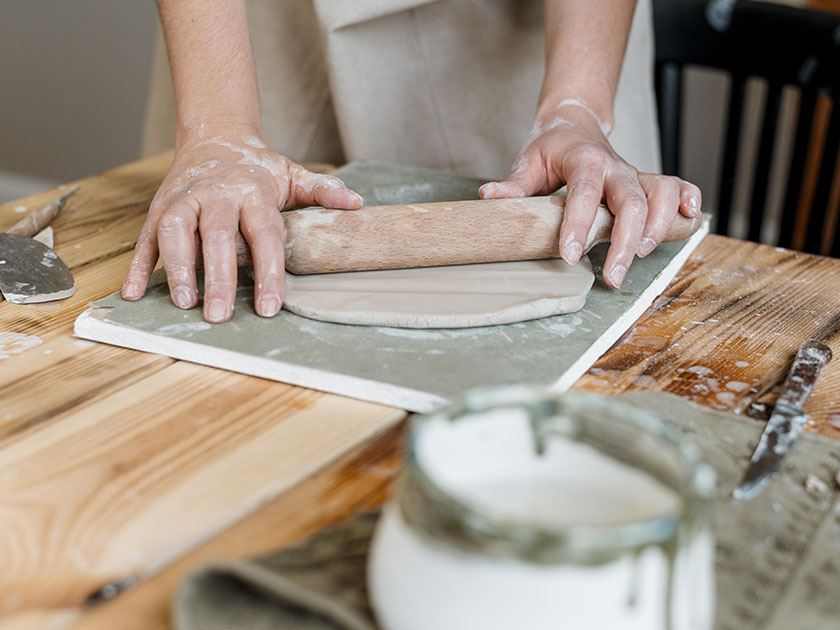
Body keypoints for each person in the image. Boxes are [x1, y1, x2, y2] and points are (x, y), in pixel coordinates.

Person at [124, 0, 701, 324]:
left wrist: (575, 107)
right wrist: (221, 128)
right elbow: (220, 137)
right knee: (219, 232)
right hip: (251, 23)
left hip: (529, 26)